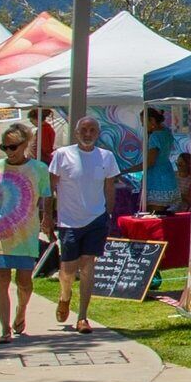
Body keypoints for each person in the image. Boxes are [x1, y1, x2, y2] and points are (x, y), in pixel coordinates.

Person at [45, 115, 117, 331]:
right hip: (68, 221)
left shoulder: (106, 157)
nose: (88, 134)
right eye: (84, 130)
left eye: (92, 130)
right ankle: (65, 295)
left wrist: (108, 214)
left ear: (98, 133)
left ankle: (83, 316)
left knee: (88, 265)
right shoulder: (62, 155)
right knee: (67, 269)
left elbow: (110, 187)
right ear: (76, 133)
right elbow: (50, 188)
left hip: (96, 219)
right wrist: (47, 215)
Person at [0, 122, 46, 338]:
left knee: (24, 282)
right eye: (4, 147)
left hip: (26, 233)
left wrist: (48, 221)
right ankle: (4, 328)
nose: (9, 151)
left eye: (13, 146)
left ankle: (21, 311)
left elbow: (46, 198)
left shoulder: (39, 169)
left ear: (25, 144)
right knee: (1, 279)